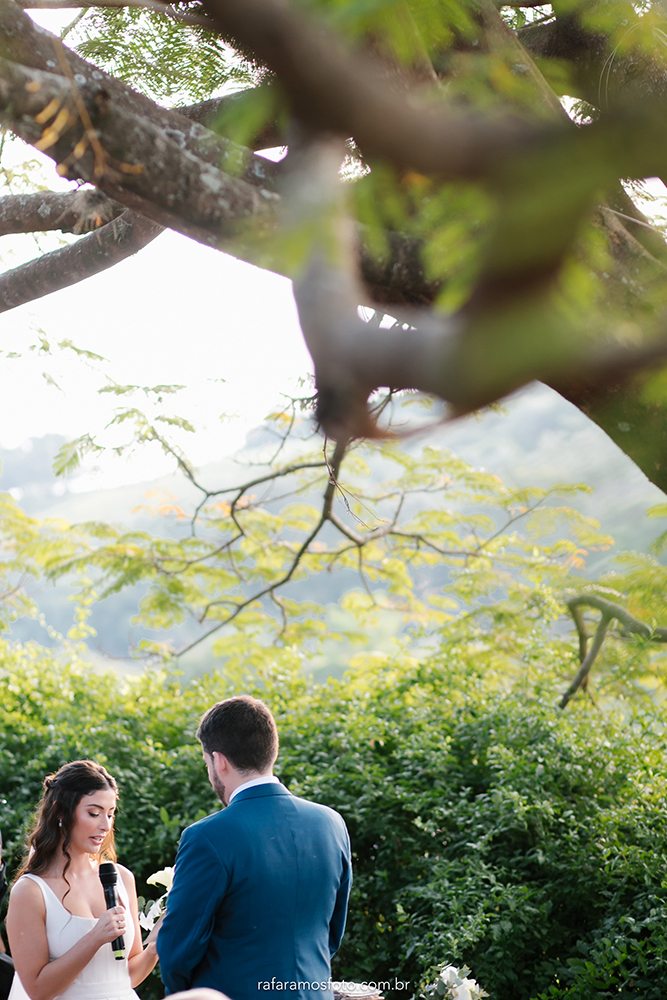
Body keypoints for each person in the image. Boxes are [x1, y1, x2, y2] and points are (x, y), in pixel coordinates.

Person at [157, 696, 352, 1000]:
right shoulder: (331, 823)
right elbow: (332, 932)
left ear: (219, 761)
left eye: (206, 761)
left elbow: (178, 951)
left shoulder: (207, 836)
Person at [6, 760, 159, 1000]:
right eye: (94, 813)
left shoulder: (122, 878)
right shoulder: (31, 891)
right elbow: (37, 989)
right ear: (59, 811)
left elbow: (126, 976)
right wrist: (95, 937)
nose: (106, 825)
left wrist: (156, 947)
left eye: (110, 814)